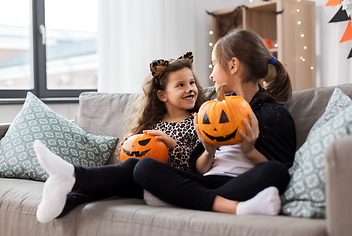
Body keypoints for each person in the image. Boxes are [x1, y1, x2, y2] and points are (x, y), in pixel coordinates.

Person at [133, 28, 296, 215]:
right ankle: (230, 206)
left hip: (240, 182)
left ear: (233, 65)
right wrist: (208, 149)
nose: (211, 75)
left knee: (276, 172)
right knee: (144, 168)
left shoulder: (272, 112)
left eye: (214, 65)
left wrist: (249, 150)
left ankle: (181, 198)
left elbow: (283, 168)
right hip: (208, 181)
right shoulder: (214, 108)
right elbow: (198, 170)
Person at [33, 52, 206, 223]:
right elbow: (132, 161)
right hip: (144, 183)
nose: (190, 88)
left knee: (132, 167)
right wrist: (129, 147)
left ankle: (72, 174)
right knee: (110, 184)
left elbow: (199, 167)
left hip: (174, 184)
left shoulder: (198, 121)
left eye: (192, 83)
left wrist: (172, 144)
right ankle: (63, 203)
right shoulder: (152, 124)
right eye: (180, 85)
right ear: (162, 95)